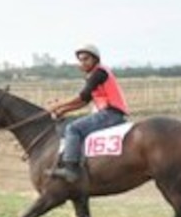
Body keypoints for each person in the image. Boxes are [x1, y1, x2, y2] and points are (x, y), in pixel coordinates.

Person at [45, 44, 130, 183]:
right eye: (80, 60)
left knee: (72, 128)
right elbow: (84, 101)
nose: (82, 63)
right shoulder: (94, 75)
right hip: (108, 112)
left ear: (95, 59)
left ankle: (70, 169)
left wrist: (56, 105)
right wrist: (62, 110)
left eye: (86, 59)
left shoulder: (99, 73)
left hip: (111, 113)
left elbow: (81, 96)